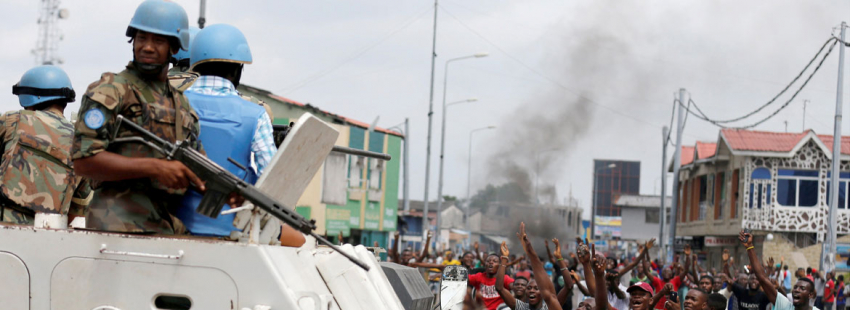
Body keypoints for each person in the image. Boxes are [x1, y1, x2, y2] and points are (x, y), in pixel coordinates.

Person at [71, 0, 226, 234]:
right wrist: (155, 167)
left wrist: (228, 190)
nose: (148, 47)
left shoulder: (182, 105)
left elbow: (198, 167)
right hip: (117, 226)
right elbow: (84, 161)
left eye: (159, 40)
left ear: (175, 47)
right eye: (141, 38)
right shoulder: (112, 90)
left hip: (167, 226)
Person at [173, 23, 303, 246]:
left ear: (195, 64)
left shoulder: (172, 104)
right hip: (233, 229)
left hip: (174, 223)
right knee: (299, 239)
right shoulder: (256, 114)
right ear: (238, 70)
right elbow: (272, 181)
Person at [3, 65, 91, 225]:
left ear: (27, 98)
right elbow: (77, 214)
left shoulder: (14, 121)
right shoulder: (83, 144)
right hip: (47, 237)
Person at [738, 229, 817, 310]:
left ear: (810, 295)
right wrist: (749, 246)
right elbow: (763, 279)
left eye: (802, 288)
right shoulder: (785, 306)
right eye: (795, 287)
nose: (797, 290)